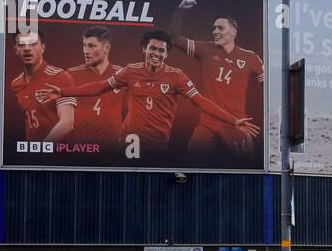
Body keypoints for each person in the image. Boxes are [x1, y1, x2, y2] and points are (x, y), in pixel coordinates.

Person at [53, 28, 258, 162]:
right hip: (128, 141)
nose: (156, 54)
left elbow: (201, 102)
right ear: (145, 49)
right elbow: (98, 87)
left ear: (167, 54)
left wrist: (233, 121)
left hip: (158, 145)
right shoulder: (130, 71)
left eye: (161, 50)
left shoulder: (176, 76)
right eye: (152, 48)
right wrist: (63, 91)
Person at [171, 0, 264, 157]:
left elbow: (270, 90)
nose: (215, 31)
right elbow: (174, 38)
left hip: (237, 125)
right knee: (191, 163)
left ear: (233, 32)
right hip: (208, 123)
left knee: (245, 171)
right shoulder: (206, 49)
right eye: (214, 28)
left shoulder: (251, 58)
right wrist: (180, 10)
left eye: (220, 28)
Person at [9, 30, 75, 145]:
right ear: (16, 50)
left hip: (59, 153)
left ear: (43, 48)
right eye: (21, 45)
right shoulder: (16, 84)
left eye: (32, 43)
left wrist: (42, 148)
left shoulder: (60, 76)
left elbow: (67, 123)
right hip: (33, 152)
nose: (27, 48)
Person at [66, 25, 124, 147]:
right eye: (84, 45)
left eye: (91, 46)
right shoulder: (70, 75)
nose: (85, 51)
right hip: (80, 150)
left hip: (113, 151)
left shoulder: (123, 75)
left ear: (106, 48)